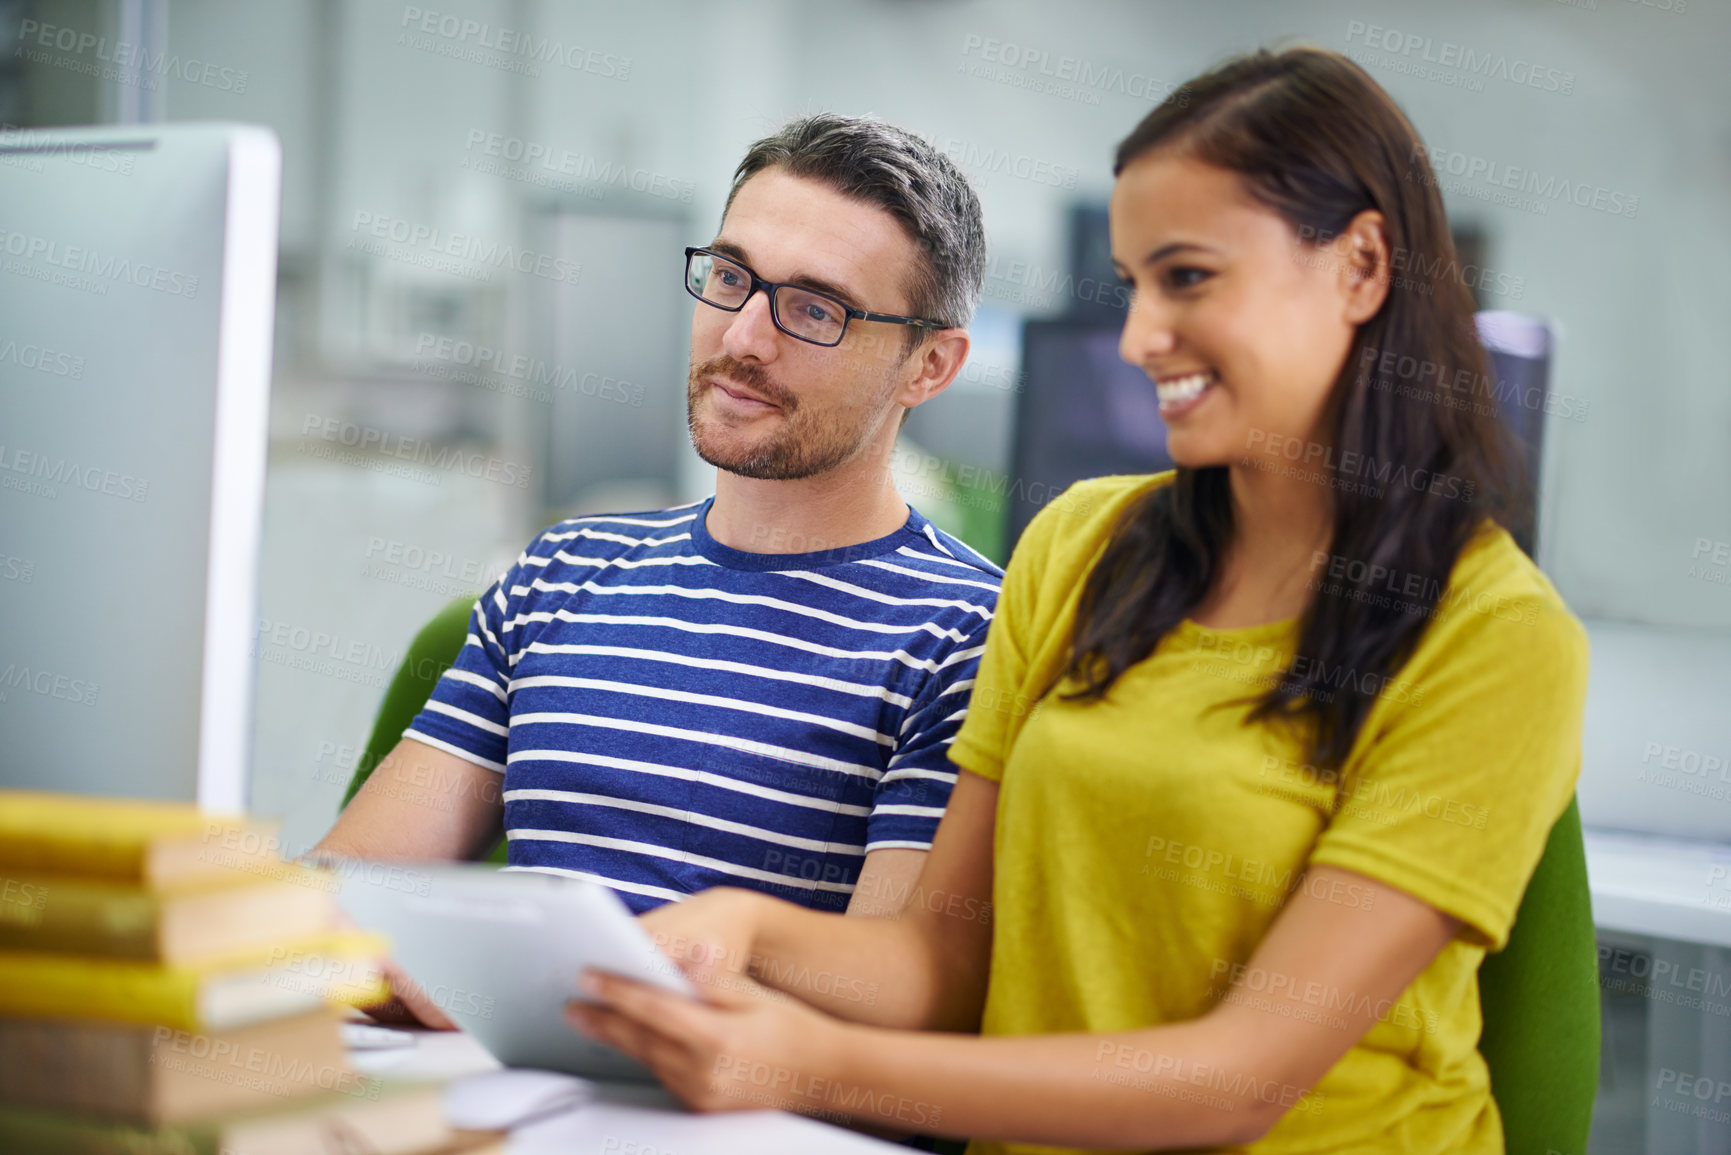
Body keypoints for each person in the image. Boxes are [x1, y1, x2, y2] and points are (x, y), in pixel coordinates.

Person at [569, 47, 1589, 1155]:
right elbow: (946, 965)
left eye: (1189, 278)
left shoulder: (1496, 634)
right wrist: (747, 931)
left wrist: (809, 1062)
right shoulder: (1082, 545)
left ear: (1360, 265)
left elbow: (1239, 1083)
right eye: (1135, 284)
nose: (1142, 337)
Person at [311, 114, 1004, 1025]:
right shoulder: (561, 574)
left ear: (930, 365)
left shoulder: (964, 635)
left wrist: (518, 989)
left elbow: (885, 1006)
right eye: (729, 277)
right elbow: (344, 900)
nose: (744, 338)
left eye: (815, 308)